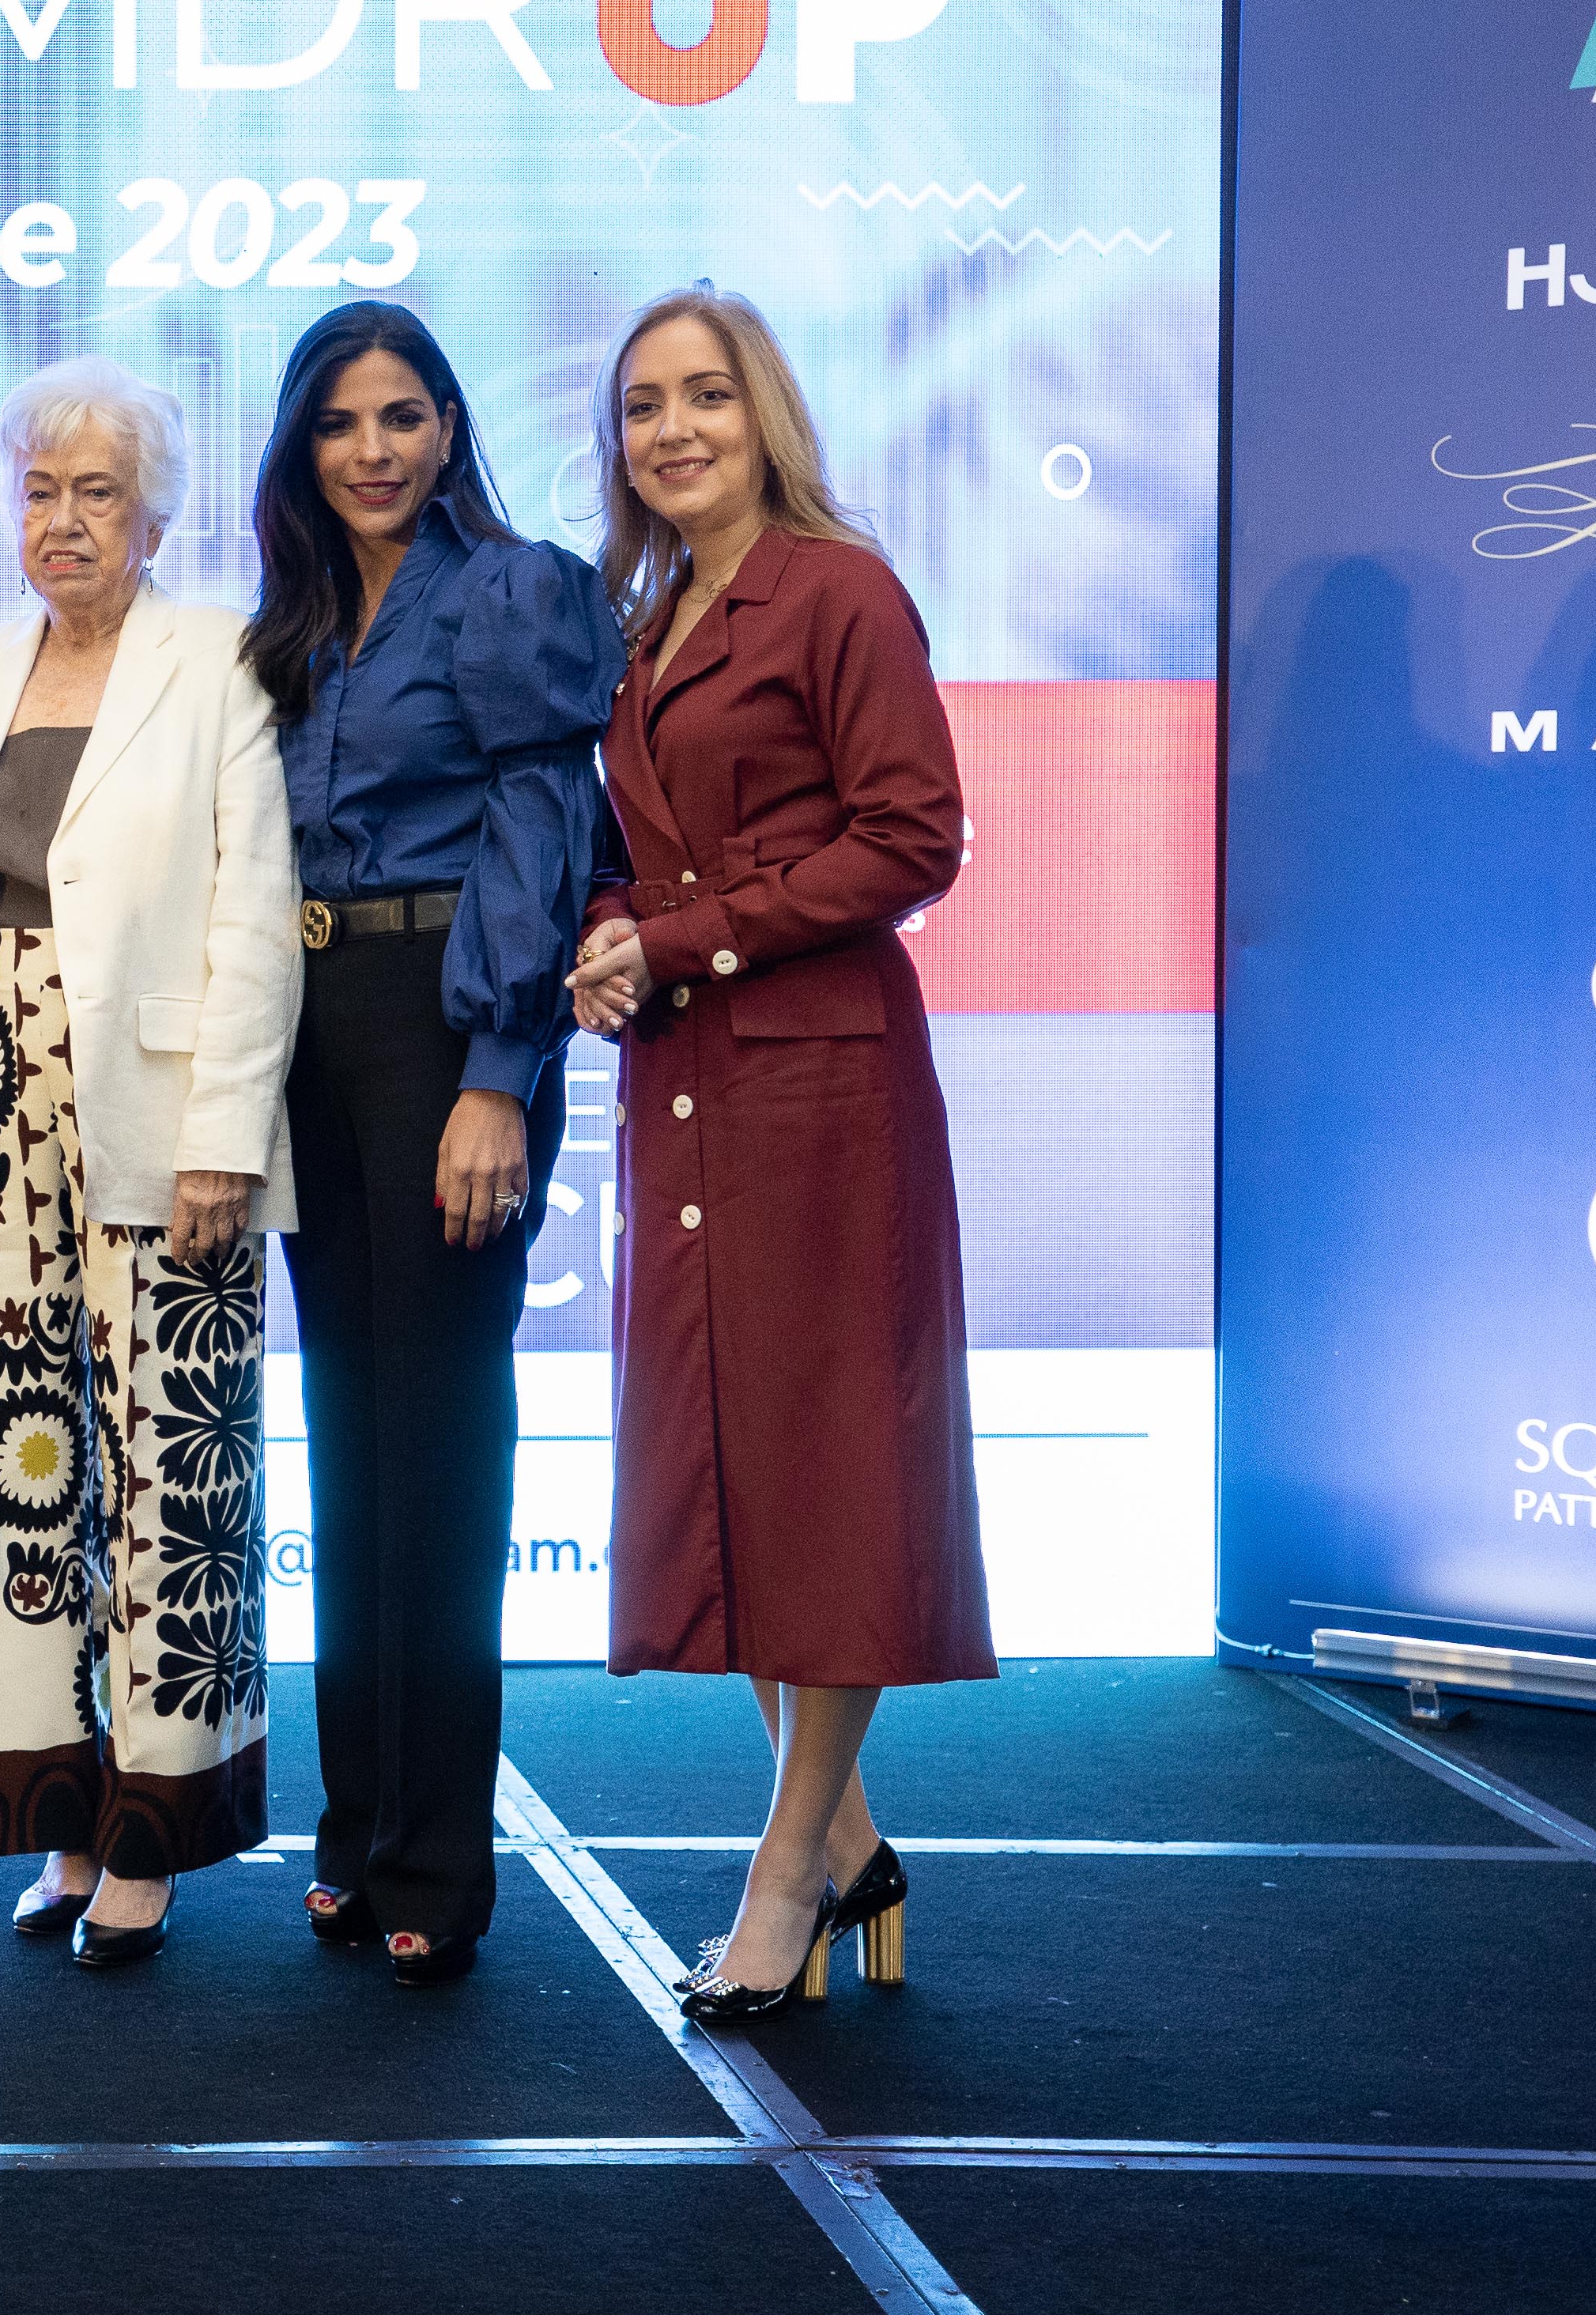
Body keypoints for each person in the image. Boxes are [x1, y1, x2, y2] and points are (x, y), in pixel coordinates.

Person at [565, 285, 994, 2026]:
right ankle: (850, 1845)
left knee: (823, 1482)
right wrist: (608, 933)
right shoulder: (646, 618)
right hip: (687, 1084)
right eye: (643, 405)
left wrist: (678, 941)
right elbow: (636, 850)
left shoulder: (839, 590)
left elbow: (915, 836)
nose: (672, 430)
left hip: (825, 1094)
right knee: (737, 1470)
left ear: (767, 416)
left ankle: (787, 1867)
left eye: (706, 396)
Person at [243, 300, 617, 1989]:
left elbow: (546, 826)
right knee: (350, 1433)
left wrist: (497, 1071)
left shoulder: (513, 591)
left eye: (402, 416)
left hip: (446, 1024)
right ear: (300, 448)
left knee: (445, 1445)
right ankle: (355, 1832)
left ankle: (439, 1865)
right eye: (339, 422)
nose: (373, 450)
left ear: (451, 428)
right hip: (309, 1032)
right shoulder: (296, 619)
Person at [0, 357, 297, 1970]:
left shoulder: (222, 660)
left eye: (98, 494)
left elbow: (254, 912)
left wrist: (226, 1134)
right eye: (39, 491)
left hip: (163, 1105)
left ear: (154, 518)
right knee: (28, 1461)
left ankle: (156, 1835)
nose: (63, 522)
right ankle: (62, 1818)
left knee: (175, 1464)